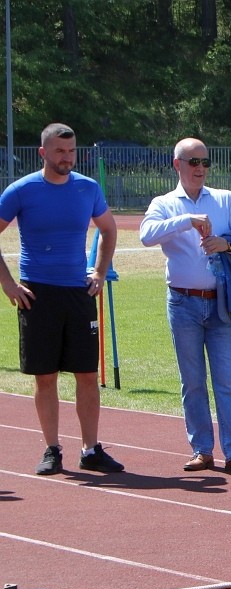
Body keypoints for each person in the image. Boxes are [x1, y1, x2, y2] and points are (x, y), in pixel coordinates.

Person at [0, 123, 124, 475]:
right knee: (45, 376)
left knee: (87, 374)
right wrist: (9, 285)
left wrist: (99, 271)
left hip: (78, 293)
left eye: (71, 151)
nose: (66, 158)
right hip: (37, 294)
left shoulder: (88, 188)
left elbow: (108, 229)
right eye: (59, 151)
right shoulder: (21, 191)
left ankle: (91, 449)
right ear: (43, 153)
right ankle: (52, 449)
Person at [138, 137, 231, 475]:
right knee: (192, 382)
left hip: (221, 303)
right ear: (177, 165)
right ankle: (202, 450)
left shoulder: (225, 199)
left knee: (226, 382)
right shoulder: (164, 203)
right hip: (182, 303)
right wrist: (187, 220)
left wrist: (226, 244)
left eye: (205, 162)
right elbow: (146, 235)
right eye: (194, 162)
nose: (201, 168)